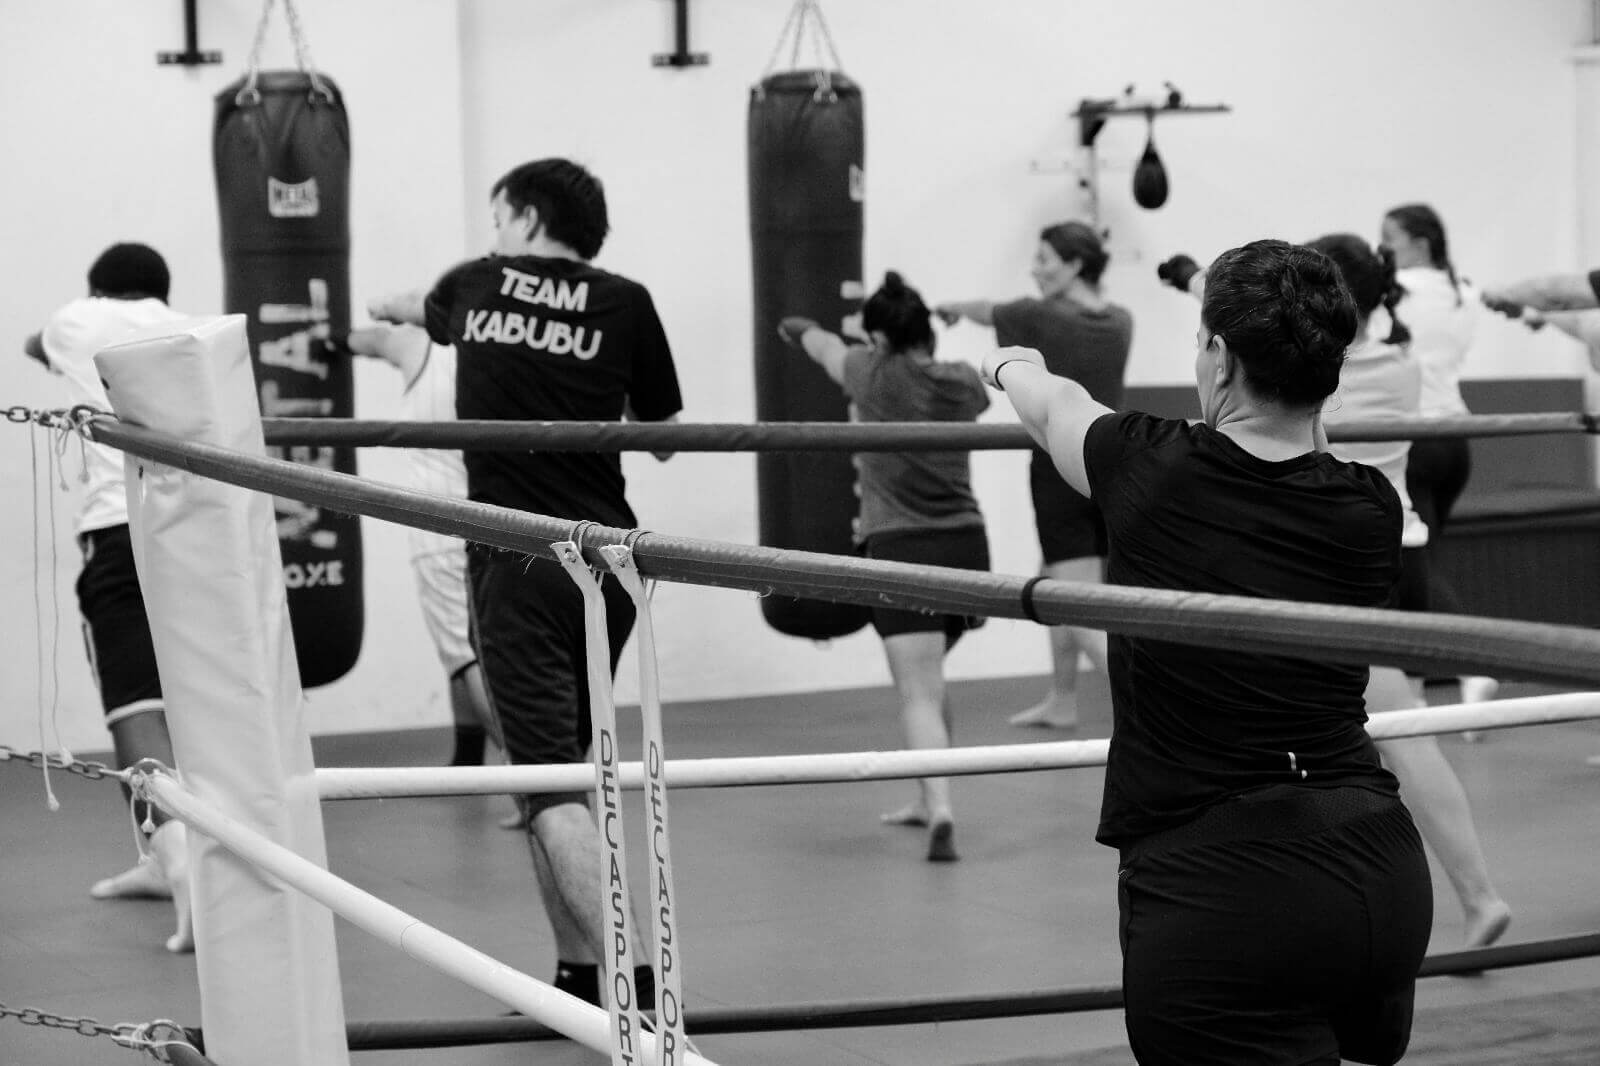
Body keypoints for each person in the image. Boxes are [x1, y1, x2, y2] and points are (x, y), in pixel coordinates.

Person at [989, 239, 1432, 1065]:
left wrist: (1011, 363)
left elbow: (1054, 406)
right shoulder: (1369, 507)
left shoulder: (1150, 468)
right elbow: (1308, 449)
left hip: (1225, 894)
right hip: (1379, 873)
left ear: (1220, 357)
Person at [370, 158, 681, 1009]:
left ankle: (645, 987)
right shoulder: (627, 299)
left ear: (528, 218)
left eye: (500, 216)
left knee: (546, 790)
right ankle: (579, 975)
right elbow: (661, 439)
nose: (494, 232)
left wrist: (402, 307)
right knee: (561, 777)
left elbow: (425, 317)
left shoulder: (472, 283)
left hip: (517, 560)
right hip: (611, 561)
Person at [1160, 235, 1513, 949]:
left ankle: (1475, 896)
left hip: (1344, 563)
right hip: (1394, 546)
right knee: (1380, 741)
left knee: (1398, 743)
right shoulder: (1400, 360)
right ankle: (1361, 900)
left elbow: (1269, 351)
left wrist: (1199, 281)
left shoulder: (1328, 375)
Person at [779, 272, 991, 862]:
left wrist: (806, 328)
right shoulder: (960, 382)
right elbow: (980, 392)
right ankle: (930, 798)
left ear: (879, 338)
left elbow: (812, 338)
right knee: (932, 679)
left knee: (918, 691)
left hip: (904, 549)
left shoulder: (868, 373)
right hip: (968, 550)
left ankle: (942, 807)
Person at [23, 242, 194, 954]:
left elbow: (33, 343)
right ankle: (159, 858)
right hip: (189, 531)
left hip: (115, 530)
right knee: (182, 693)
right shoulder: (187, 328)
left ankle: (184, 865)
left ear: (98, 288)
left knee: (133, 700)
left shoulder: (77, 319)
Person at [936, 222, 1132, 730]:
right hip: (1111, 464)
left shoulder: (1036, 314)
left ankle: (1149, 699)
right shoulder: (1120, 321)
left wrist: (954, 307)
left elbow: (989, 311)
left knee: (1076, 601)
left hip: (1058, 468)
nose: (1036, 268)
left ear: (1073, 265)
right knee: (1058, 578)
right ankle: (1063, 698)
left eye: (1045, 259)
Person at [342, 322, 510, 794]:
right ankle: (468, 758)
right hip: (495, 518)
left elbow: (373, 338)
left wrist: (330, 339)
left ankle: (531, 776)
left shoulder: (422, 349)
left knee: (463, 654)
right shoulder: (496, 358)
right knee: (461, 646)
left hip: (440, 528)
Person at [1379, 203, 1499, 709]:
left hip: (1418, 439)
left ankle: (1471, 667)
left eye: (1390, 239)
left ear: (1419, 243)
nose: (1382, 248)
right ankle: (1428, 677)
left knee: (1416, 565)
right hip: (1456, 439)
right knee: (1423, 561)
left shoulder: (1395, 294)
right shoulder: (1463, 292)